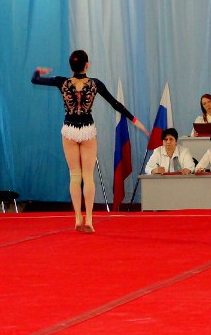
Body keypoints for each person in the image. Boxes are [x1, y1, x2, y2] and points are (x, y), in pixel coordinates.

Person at [33, 52, 145, 233]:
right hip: (87, 130)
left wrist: (39, 70)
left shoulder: (62, 82)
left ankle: (78, 217)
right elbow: (115, 104)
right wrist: (134, 120)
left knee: (75, 176)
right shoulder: (94, 84)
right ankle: (90, 219)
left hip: (69, 130)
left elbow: (35, 80)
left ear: (71, 66)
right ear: (87, 65)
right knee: (87, 176)